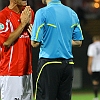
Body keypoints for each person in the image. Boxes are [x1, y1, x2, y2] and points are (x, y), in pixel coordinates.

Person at [30, 0, 84, 100]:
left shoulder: (42, 12)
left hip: (49, 64)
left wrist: (34, 35)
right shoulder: (72, 13)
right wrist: (63, 39)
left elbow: (34, 43)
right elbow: (78, 42)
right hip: (68, 65)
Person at [0, 0, 34, 100]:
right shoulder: (3, 16)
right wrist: (23, 24)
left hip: (28, 71)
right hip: (11, 74)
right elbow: (6, 42)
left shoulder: (29, 13)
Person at [87, 35, 100, 100]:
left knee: (95, 82)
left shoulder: (92, 46)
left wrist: (89, 66)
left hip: (95, 67)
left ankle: (96, 97)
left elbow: (91, 57)